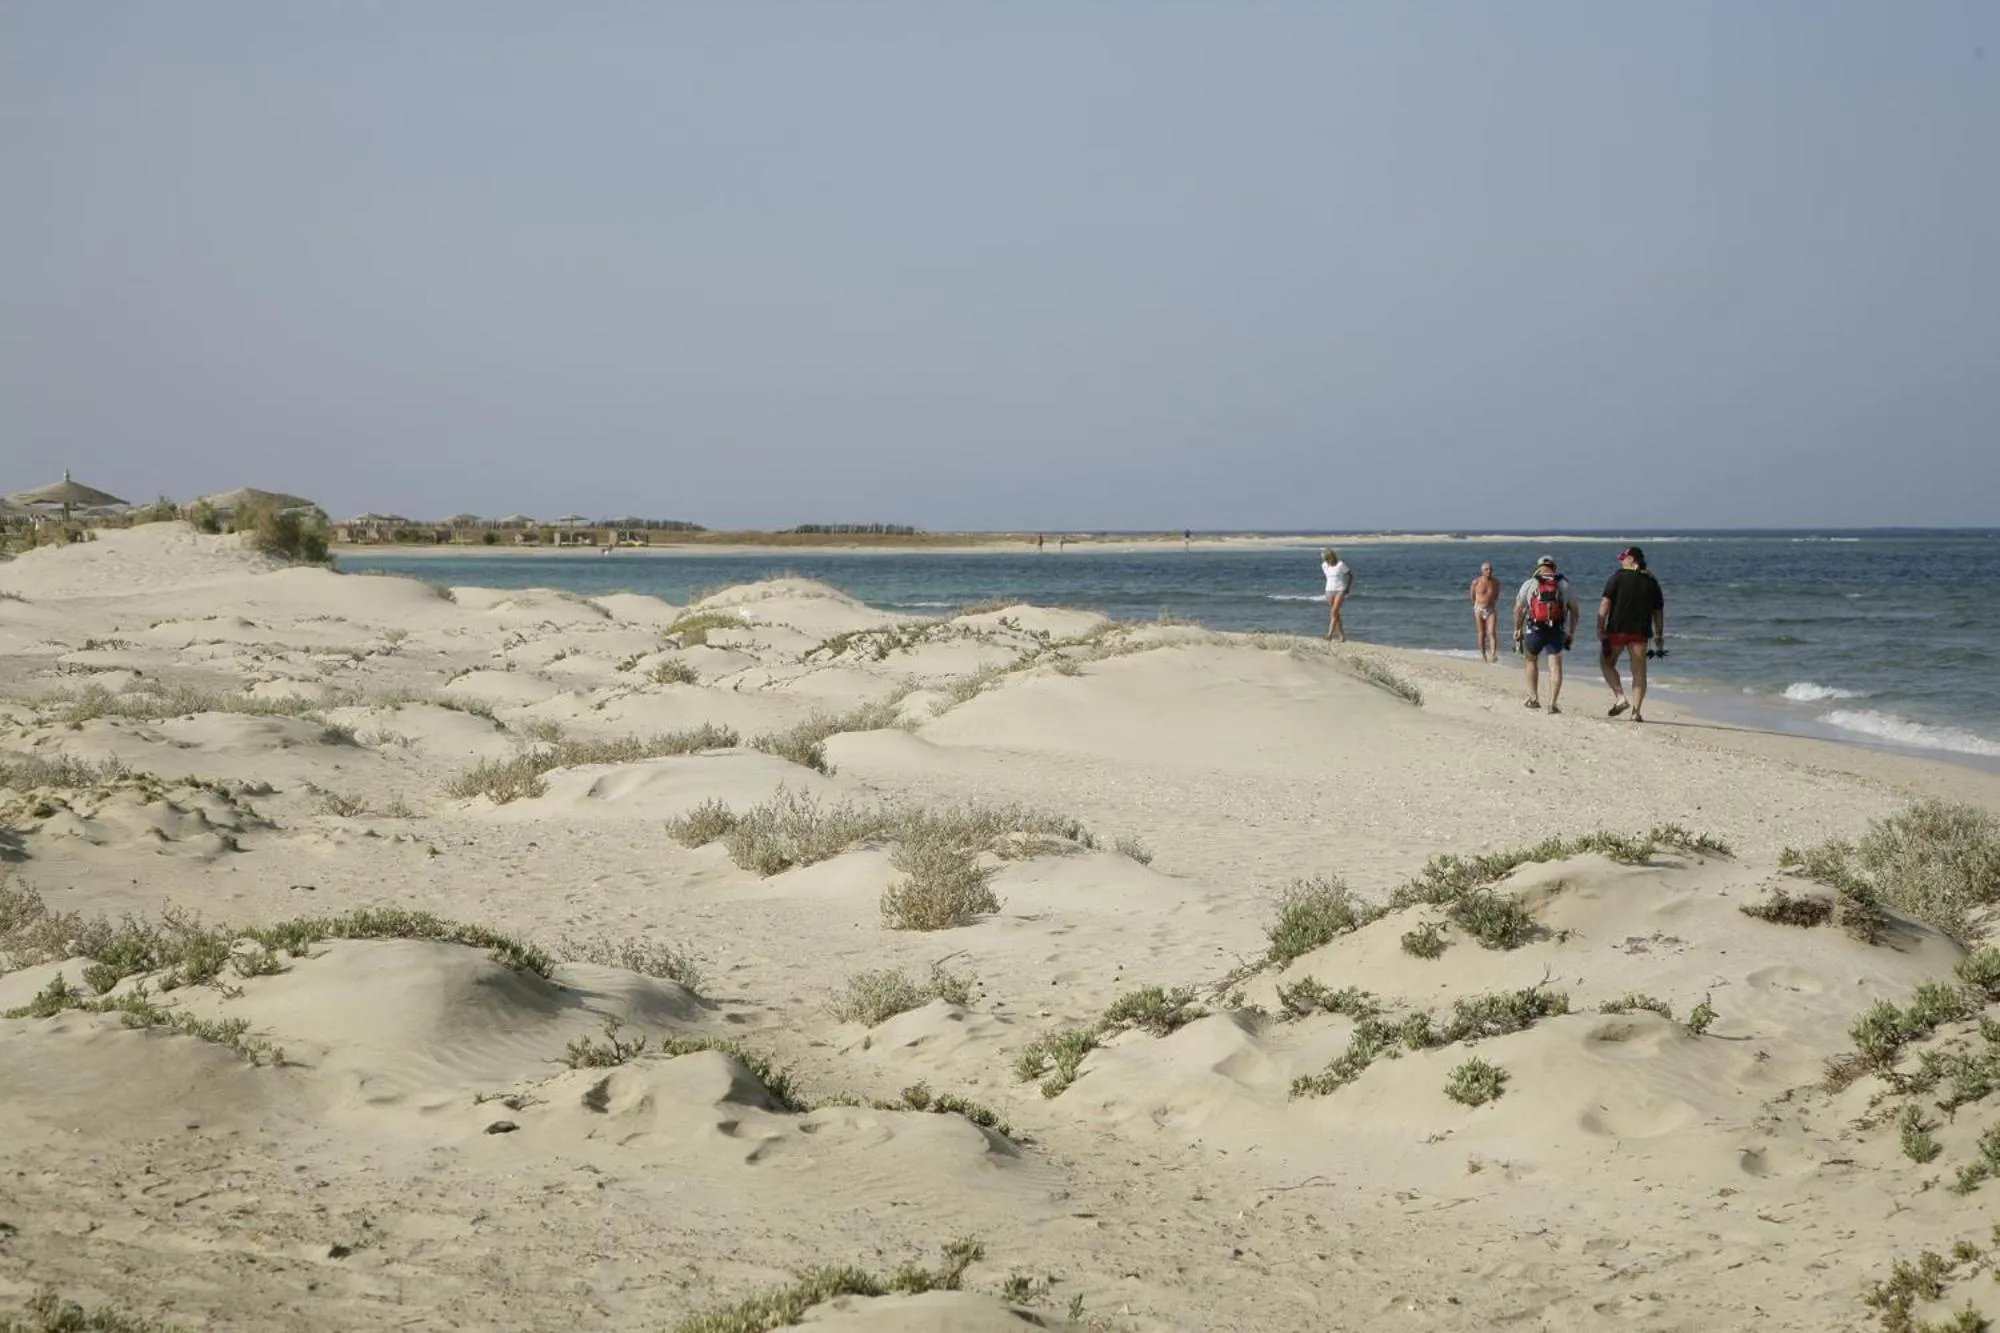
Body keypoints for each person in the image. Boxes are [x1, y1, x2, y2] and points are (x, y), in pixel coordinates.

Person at [1599, 545, 1665, 722]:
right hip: (1640, 633)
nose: (1621, 561)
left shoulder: (1617, 577)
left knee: (1606, 663)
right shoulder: (1651, 581)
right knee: (1639, 672)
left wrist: (1600, 627)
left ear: (1631, 560)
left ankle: (1620, 698)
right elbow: (1658, 611)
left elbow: (1605, 603)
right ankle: (1636, 712)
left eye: (1623, 558)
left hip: (1617, 630)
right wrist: (1659, 634)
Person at [1511, 554, 1578, 713]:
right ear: (1554, 567)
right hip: (1556, 630)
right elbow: (1575, 611)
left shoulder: (1529, 583)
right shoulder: (1564, 584)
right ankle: (1552, 704)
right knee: (1554, 665)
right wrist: (1571, 632)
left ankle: (1534, 698)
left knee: (1531, 660)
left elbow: (1518, 610)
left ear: (1538, 567)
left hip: (1534, 629)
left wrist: (1517, 628)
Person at [1469, 562, 1501, 663]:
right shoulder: (1476, 582)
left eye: (1490, 569)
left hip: (1491, 609)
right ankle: (1483, 655)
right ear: (1482, 571)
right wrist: (1478, 604)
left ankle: (1493, 654)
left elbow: (1496, 595)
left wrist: (1490, 603)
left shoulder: (1496, 582)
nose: (1489, 571)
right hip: (1479, 609)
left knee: (1491, 632)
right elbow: (1472, 596)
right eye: (1486, 569)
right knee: (1481, 633)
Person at [1320, 548, 1353, 641]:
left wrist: (1348, 588)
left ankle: (1329, 635)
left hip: (1340, 589)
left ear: (1330, 556)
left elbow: (1350, 575)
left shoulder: (1340, 564)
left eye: (1326, 558)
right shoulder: (1324, 566)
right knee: (1336, 614)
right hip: (1329, 590)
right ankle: (1342, 635)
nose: (1325, 560)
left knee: (1334, 611)